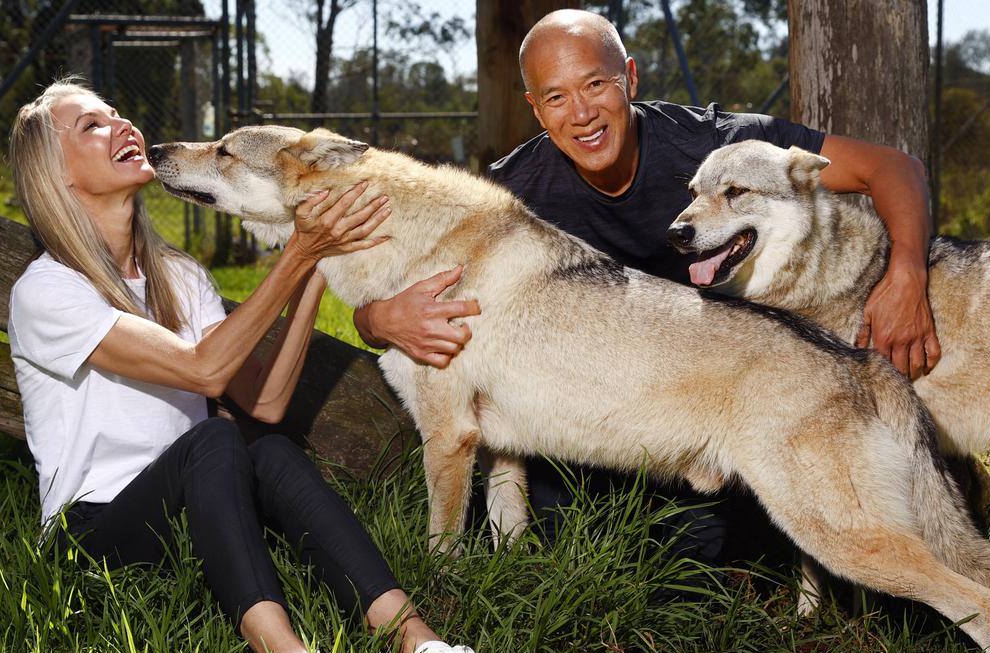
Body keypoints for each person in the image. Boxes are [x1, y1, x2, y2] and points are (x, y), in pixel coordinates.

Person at [352, 10, 940, 576]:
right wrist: (377, 319)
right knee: (571, 544)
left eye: (596, 84)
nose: (581, 113)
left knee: (715, 549)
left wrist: (907, 275)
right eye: (556, 97)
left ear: (629, 77)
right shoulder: (509, 192)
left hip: (710, 398)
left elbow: (892, 168)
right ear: (535, 109)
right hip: (584, 413)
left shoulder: (712, 150)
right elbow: (412, 288)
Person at [6, 79, 509, 653]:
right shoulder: (48, 291)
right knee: (215, 435)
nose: (123, 125)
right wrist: (299, 253)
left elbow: (266, 402)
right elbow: (205, 372)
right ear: (54, 172)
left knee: (265, 446)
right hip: (96, 536)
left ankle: (425, 650)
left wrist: (317, 269)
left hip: (200, 508)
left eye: (117, 112)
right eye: (92, 127)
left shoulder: (180, 277)